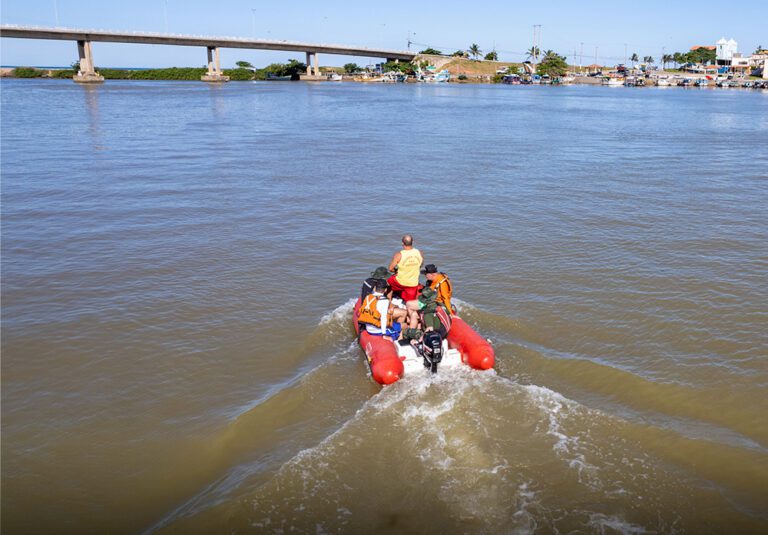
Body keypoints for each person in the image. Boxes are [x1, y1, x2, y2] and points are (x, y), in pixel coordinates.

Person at [387, 234, 423, 302]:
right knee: (410, 303)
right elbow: (420, 265)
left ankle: (389, 301)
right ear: (413, 242)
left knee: (388, 282)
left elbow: (390, 268)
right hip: (413, 284)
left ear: (402, 243)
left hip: (400, 282)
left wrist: (396, 271)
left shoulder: (399, 254)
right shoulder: (419, 253)